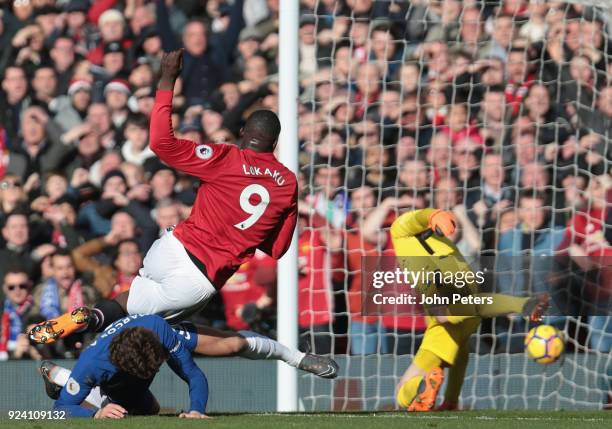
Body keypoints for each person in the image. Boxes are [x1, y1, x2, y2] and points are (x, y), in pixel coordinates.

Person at [28, 49, 321, 372]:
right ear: (275, 143)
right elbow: (278, 248)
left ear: (242, 134)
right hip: (197, 279)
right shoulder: (287, 184)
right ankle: (83, 357)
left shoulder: (224, 158)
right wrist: (245, 231)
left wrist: (167, 78)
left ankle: (85, 334)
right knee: (144, 335)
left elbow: (161, 143)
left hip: (170, 248)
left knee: (125, 309)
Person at [391, 208, 549, 411]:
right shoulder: (439, 242)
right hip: (463, 300)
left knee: (401, 394)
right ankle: (451, 401)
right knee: (461, 350)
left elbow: (408, 221)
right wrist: (432, 216)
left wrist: (431, 216)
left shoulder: (407, 237)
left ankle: (421, 387)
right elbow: (413, 220)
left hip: (447, 313)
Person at [40, 314, 338, 418]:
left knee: (232, 344)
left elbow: (192, 374)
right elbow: (60, 412)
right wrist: (96, 417)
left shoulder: (159, 330)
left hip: (154, 325)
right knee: (137, 411)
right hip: (108, 378)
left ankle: (296, 357)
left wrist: (197, 409)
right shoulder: (92, 365)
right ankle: (62, 378)